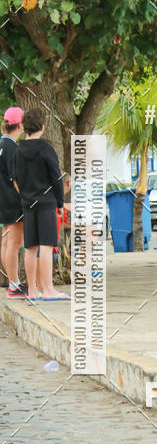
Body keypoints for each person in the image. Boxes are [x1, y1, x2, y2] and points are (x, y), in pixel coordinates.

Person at [14, 108, 68, 300]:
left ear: (25, 127)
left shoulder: (18, 150)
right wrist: (60, 203)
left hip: (27, 203)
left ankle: (32, 290)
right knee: (46, 244)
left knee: (30, 247)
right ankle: (48, 290)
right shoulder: (46, 149)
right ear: (43, 127)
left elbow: (16, 178)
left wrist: (26, 196)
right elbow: (56, 178)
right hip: (46, 203)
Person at [0, 107, 27, 297]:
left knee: (6, 242)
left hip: (2, 201)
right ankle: (14, 284)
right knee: (14, 243)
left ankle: (12, 282)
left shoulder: (1, 144)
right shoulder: (12, 148)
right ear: (20, 125)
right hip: (12, 201)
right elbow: (15, 178)